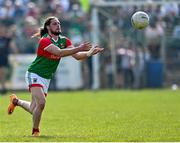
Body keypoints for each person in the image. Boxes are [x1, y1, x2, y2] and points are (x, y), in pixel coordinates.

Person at [7, 16, 104, 137]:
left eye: (59, 23)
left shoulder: (65, 40)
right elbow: (59, 52)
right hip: (34, 73)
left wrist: (89, 53)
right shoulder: (45, 40)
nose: (58, 25)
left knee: (34, 108)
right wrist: (78, 48)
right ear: (48, 27)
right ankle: (35, 131)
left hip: (46, 78)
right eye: (54, 24)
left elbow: (78, 56)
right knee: (41, 103)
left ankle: (16, 101)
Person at [0, 22, 17, 95]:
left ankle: (3, 87)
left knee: (3, 72)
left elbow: (13, 47)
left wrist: (16, 53)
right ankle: (3, 87)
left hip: (4, 57)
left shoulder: (7, 39)